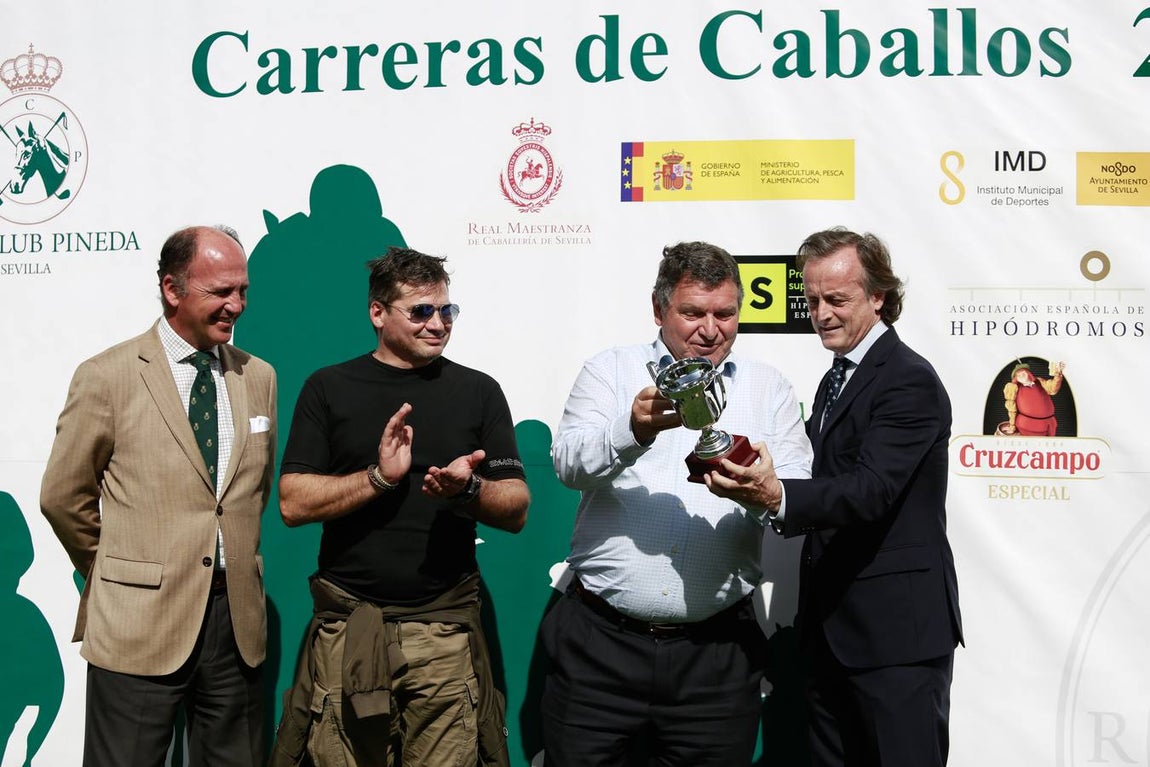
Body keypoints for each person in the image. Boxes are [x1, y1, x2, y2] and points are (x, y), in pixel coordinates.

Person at [544, 241, 813, 766]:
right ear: (658, 309)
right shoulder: (611, 371)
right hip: (600, 647)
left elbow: (799, 497)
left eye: (724, 314)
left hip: (717, 657)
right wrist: (631, 431)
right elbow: (568, 465)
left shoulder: (769, 389)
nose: (709, 330)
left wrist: (767, 492)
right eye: (692, 312)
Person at [708, 227, 963, 767]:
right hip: (830, 634)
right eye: (813, 300)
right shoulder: (836, 377)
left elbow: (870, 491)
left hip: (896, 639)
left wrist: (777, 496)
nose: (821, 313)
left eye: (837, 300)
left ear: (879, 297)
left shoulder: (908, 380)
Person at [269, 247, 529, 767]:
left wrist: (469, 490)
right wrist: (378, 479)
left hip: (443, 635)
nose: (438, 324)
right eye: (421, 311)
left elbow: (518, 508)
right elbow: (293, 503)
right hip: (348, 630)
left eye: (446, 311)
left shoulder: (478, 391)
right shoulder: (329, 387)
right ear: (378, 313)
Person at [40, 225, 277, 766]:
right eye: (221, 291)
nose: (236, 305)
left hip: (234, 623)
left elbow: (250, 493)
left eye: (243, 290)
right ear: (173, 290)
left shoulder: (258, 377)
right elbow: (62, 495)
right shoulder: (107, 376)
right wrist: (119, 569)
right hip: (136, 622)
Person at [1002, 360, 1066, 436]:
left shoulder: (1040, 382)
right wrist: (1012, 426)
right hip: (1026, 427)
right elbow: (1011, 410)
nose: (1021, 376)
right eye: (1018, 375)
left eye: (1023, 373)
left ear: (1028, 373)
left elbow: (1053, 389)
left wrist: (1058, 374)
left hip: (1049, 425)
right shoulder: (1015, 389)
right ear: (1016, 379)